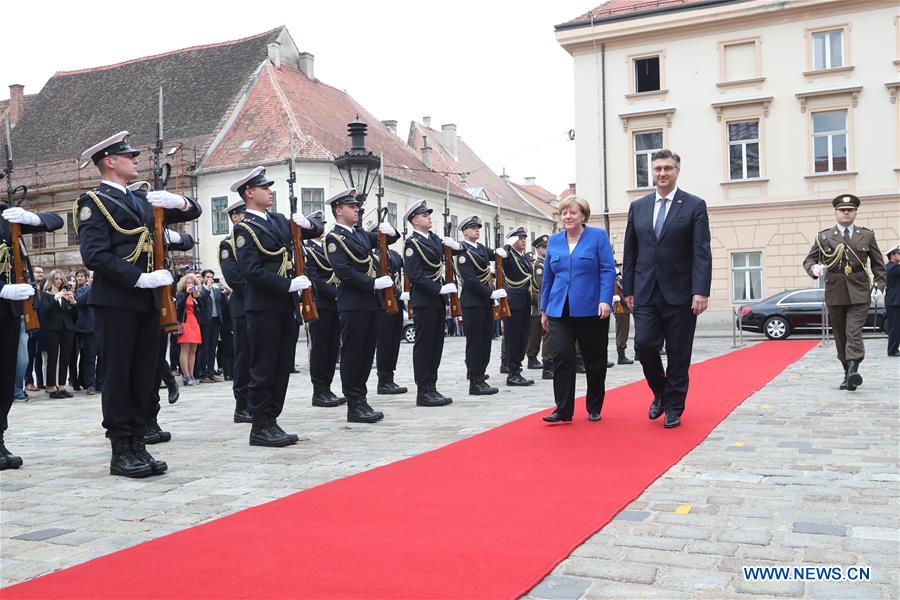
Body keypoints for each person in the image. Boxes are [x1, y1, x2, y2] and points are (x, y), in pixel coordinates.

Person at [75, 131, 201, 477]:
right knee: (119, 374)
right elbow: (95, 255)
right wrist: (138, 278)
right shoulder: (94, 202)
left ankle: (139, 443)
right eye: (128, 156)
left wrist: (179, 202)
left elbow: (195, 212)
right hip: (117, 300)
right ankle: (121, 449)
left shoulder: (141, 201)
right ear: (109, 162)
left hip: (148, 301)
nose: (135, 160)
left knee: (144, 373)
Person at [622, 149, 712, 429]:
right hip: (646, 290)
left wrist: (701, 291)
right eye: (658, 168)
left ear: (677, 171)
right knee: (644, 345)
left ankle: (674, 406)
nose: (662, 173)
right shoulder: (639, 206)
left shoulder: (694, 205)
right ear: (652, 172)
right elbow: (630, 250)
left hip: (682, 292)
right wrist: (628, 289)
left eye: (668, 169)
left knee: (678, 352)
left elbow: (701, 251)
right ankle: (660, 392)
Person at [232, 166, 322, 446]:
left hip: (285, 307)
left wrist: (307, 224)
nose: (270, 192)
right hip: (263, 307)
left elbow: (316, 230)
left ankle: (272, 419)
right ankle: (259, 425)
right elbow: (251, 271)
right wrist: (287, 285)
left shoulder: (279, 220)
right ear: (249, 192)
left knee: (282, 365)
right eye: (264, 188)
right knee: (264, 367)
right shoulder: (244, 228)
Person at [539, 197, 616, 423]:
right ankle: (563, 409)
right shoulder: (554, 241)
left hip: (592, 308)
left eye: (572, 213)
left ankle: (594, 405)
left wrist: (605, 300)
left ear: (583, 215)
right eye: (564, 213)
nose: (568, 217)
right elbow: (548, 278)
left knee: (594, 359)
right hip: (559, 308)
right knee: (562, 356)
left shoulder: (597, 237)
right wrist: (544, 309)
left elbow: (607, 270)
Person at [326, 189, 398, 421]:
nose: (357, 210)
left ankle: (362, 398)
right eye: (351, 207)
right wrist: (373, 282)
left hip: (370, 303)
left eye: (357, 207)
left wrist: (391, 230)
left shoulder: (359, 234)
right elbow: (344, 272)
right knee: (353, 354)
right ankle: (353, 403)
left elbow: (387, 239)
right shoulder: (334, 238)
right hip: (353, 303)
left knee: (367, 354)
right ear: (339, 210)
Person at [1, 204, 63, 469]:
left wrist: (31, 217)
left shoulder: (4, 214)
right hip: (5, 298)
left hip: (8, 312)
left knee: (6, 377)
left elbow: (55, 221)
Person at [803, 194, 886, 389]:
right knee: (841, 335)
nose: (846, 212)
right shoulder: (824, 237)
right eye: (842, 210)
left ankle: (853, 371)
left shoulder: (866, 235)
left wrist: (879, 286)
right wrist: (814, 269)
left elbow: (878, 265)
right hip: (835, 291)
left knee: (853, 331)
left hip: (860, 290)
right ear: (836, 213)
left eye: (850, 210)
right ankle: (846, 371)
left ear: (856, 212)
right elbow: (809, 260)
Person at [403, 199, 464, 406]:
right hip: (424, 301)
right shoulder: (412, 243)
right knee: (425, 346)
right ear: (414, 220)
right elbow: (415, 274)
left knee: (436, 345)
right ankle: (423, 390)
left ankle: (432, 386)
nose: (429, 217)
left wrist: (457, 246)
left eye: (429, 214)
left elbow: (455, 252)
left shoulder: (433, 238)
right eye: (424, 215)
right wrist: (438, 288)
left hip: (437, 302)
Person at [456, 215, 507, 395]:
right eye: (473, 227)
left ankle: (481, 375)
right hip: (473, 302)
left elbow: (496, 254)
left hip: (485, 302)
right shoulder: (463, 252)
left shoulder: (481, 249)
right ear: (464, 231)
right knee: (475, 342)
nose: (477, 230)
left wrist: (505, 248)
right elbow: (470, 280)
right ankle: (474, 379)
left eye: (478, 227)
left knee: (486, 341)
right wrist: (490, 293)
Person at [302, 210, 344, 408]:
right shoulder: (307, 249)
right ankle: (318, 390)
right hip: (320, 304)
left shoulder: (328, 247)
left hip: (334, 304)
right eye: (318, 225)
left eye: (323, 225)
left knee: (333, 347)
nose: (322, 229)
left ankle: (327, 387)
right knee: (320, 348)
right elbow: (316, 280)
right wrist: (338, 295)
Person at [219, 198, 254, 422]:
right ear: (234, 217)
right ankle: (241, 405)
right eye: (243, 214)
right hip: (242, 307)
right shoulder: (228, 244)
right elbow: (234, 278)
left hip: (258, 305)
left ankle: (256, 400)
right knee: (244, 355)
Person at [373, 224, 409, 396]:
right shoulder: (372, 256)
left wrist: (401, 294)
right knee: (384, 342)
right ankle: (383, 379)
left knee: (394, 341)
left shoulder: (394, 255)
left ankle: (390, 376)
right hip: (381, 303)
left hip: (396, 301)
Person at [502, 227, 536, 387]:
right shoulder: (509, 255)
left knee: (523, 338)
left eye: (524, 238)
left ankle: (517, 369)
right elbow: (500, 258)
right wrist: (507, 245)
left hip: (524, 302)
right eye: (519, 238)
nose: (523, 240)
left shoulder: (523, 258)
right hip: (513, 303)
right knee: (513, 339)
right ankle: (512, 373)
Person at [38, 269, 77, 399]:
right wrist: (56, 297)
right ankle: (52, 387)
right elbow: (46, 311)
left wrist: (73, 302)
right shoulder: (46, 295)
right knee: (52, 358)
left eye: (61, 279)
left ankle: (61, 386)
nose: (59, 281)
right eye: (56, 279)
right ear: (51, 280)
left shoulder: (67, 294)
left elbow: (75, 316)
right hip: (52, 329)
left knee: (65, 358)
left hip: (67, 329)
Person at [72, 268, 98, 394]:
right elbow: (80, 302)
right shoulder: (81, 290)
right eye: (93, 277)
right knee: (89, 357)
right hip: (87, 329)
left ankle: (99, 381)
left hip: (100, 328)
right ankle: (90, 384)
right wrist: (93, 287)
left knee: (101, 357)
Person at [175, 273, 203, 386]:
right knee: (185, 350)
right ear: (184, 284)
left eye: (192, 283)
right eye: (188, 282)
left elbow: (202, 306)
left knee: (193, 351)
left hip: (194, 323)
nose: (190, 285)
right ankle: (186, 376)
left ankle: (191, 375)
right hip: (185, 323)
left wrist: (197, 297)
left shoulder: (194, 295)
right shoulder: (181, 294)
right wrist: (187, 293)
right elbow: (180, 306)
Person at [526, 235, 548, 370]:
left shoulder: (546, 263)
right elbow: (541, 285)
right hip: (537, 305)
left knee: (543, 333)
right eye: (544, 247)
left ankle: (536, 357)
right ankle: (532, 358)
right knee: (535, 334)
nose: (547, 249)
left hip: (543, 303)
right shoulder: (538, 266)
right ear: (538, 249)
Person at [24, 265, 45, 393]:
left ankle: (40, 381)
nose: (40, 274)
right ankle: (28, 382)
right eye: (38, 272)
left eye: (42, 272)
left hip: (41, 325)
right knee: (29, 355)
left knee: (38, 355)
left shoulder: (41, 288)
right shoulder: (27, 287)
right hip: (30, 324)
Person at [612, 262, 634, 365]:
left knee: (624, 332)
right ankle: (621, 356)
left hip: (624, 308)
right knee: (622, 332)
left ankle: (622, 354)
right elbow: (619, 293)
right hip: (619, 308)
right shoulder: (615, 280)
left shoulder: (619, 279)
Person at [885, 244, 900, 357]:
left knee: (896, 326)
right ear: (892, 256)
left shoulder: (892, 266)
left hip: (894, 300)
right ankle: (892, 350)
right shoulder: (893, 267)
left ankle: (893, 348)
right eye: (899, 254)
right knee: (895, 327)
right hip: (894, 301)